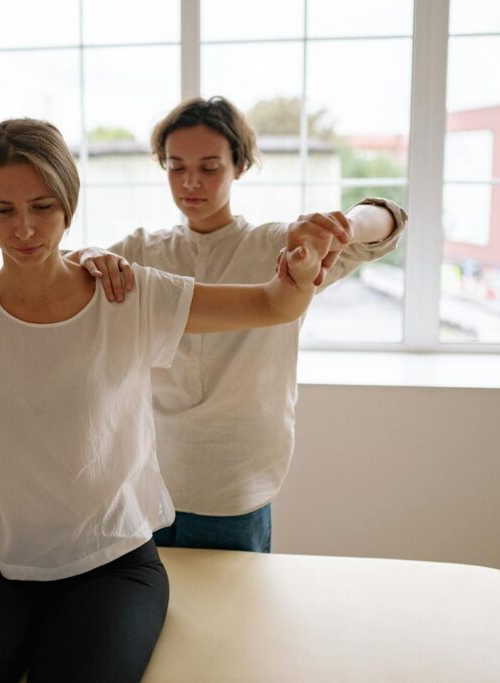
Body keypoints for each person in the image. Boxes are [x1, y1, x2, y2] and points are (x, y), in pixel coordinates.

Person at [0, 118, 341, 682]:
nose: (24, 229)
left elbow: (272, 306)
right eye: (1, 210)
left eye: (43, 206)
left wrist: (299, 273)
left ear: (69, 202)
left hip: (115, 566)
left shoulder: (126, 296)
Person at [72, 96, 408, 554]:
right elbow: (67, 272)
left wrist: (339, 227)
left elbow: (389, 219)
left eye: (209, 167)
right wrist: (89, 256)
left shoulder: (283, 246)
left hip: (236, 483)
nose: (190, 182)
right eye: (176, 167)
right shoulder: (143, 250)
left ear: (239, 167)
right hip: (149, 479)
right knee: (154, 614)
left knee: (233, 619)